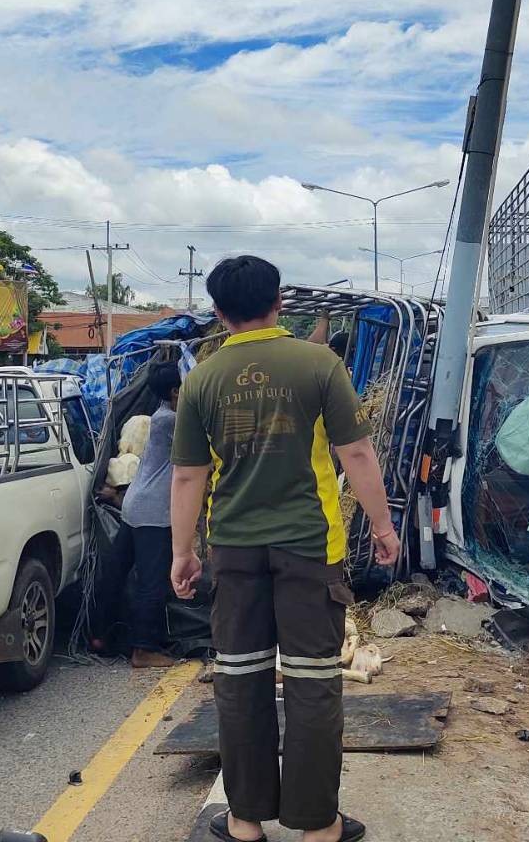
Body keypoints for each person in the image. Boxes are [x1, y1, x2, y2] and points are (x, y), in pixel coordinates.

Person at [170, 255, 398, 842]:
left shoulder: (201, 378)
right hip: (309, 549)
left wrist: (182, 553)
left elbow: (188, 477)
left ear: (219, 314)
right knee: (313, 682)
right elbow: (357, 455)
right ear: (279, 304)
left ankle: (245, 821)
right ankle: (318, 825)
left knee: (240, 681)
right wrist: (382, 526)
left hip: (234, 551)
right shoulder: (318, 364)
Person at [109, 363, 183, 669]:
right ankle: (143, 650)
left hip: (135, 505)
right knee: (152, 581)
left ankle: (104, 637)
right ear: (176, 391)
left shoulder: (157, 417)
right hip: (153, 510)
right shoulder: (172, 421)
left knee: (117, 573)